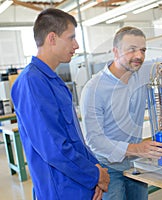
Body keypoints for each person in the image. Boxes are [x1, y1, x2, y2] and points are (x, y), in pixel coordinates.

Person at [80, 26, 162, 200]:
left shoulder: (141, 71)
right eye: (132, 50)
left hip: (136, 163)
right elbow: (94, 140)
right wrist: (137, 148)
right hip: (108, 167)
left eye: (143, 50)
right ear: (115, 51)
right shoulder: (93, 89)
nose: (139, 56)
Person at [11, 8, 109, 200]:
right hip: (61, 191)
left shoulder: (53, 81)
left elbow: (75, 139)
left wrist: (97, 171)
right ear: (52, 38)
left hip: (79, 185)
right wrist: (95, 175)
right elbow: (53, 148)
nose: (77, 45)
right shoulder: (32, 82)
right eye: (71, 38)